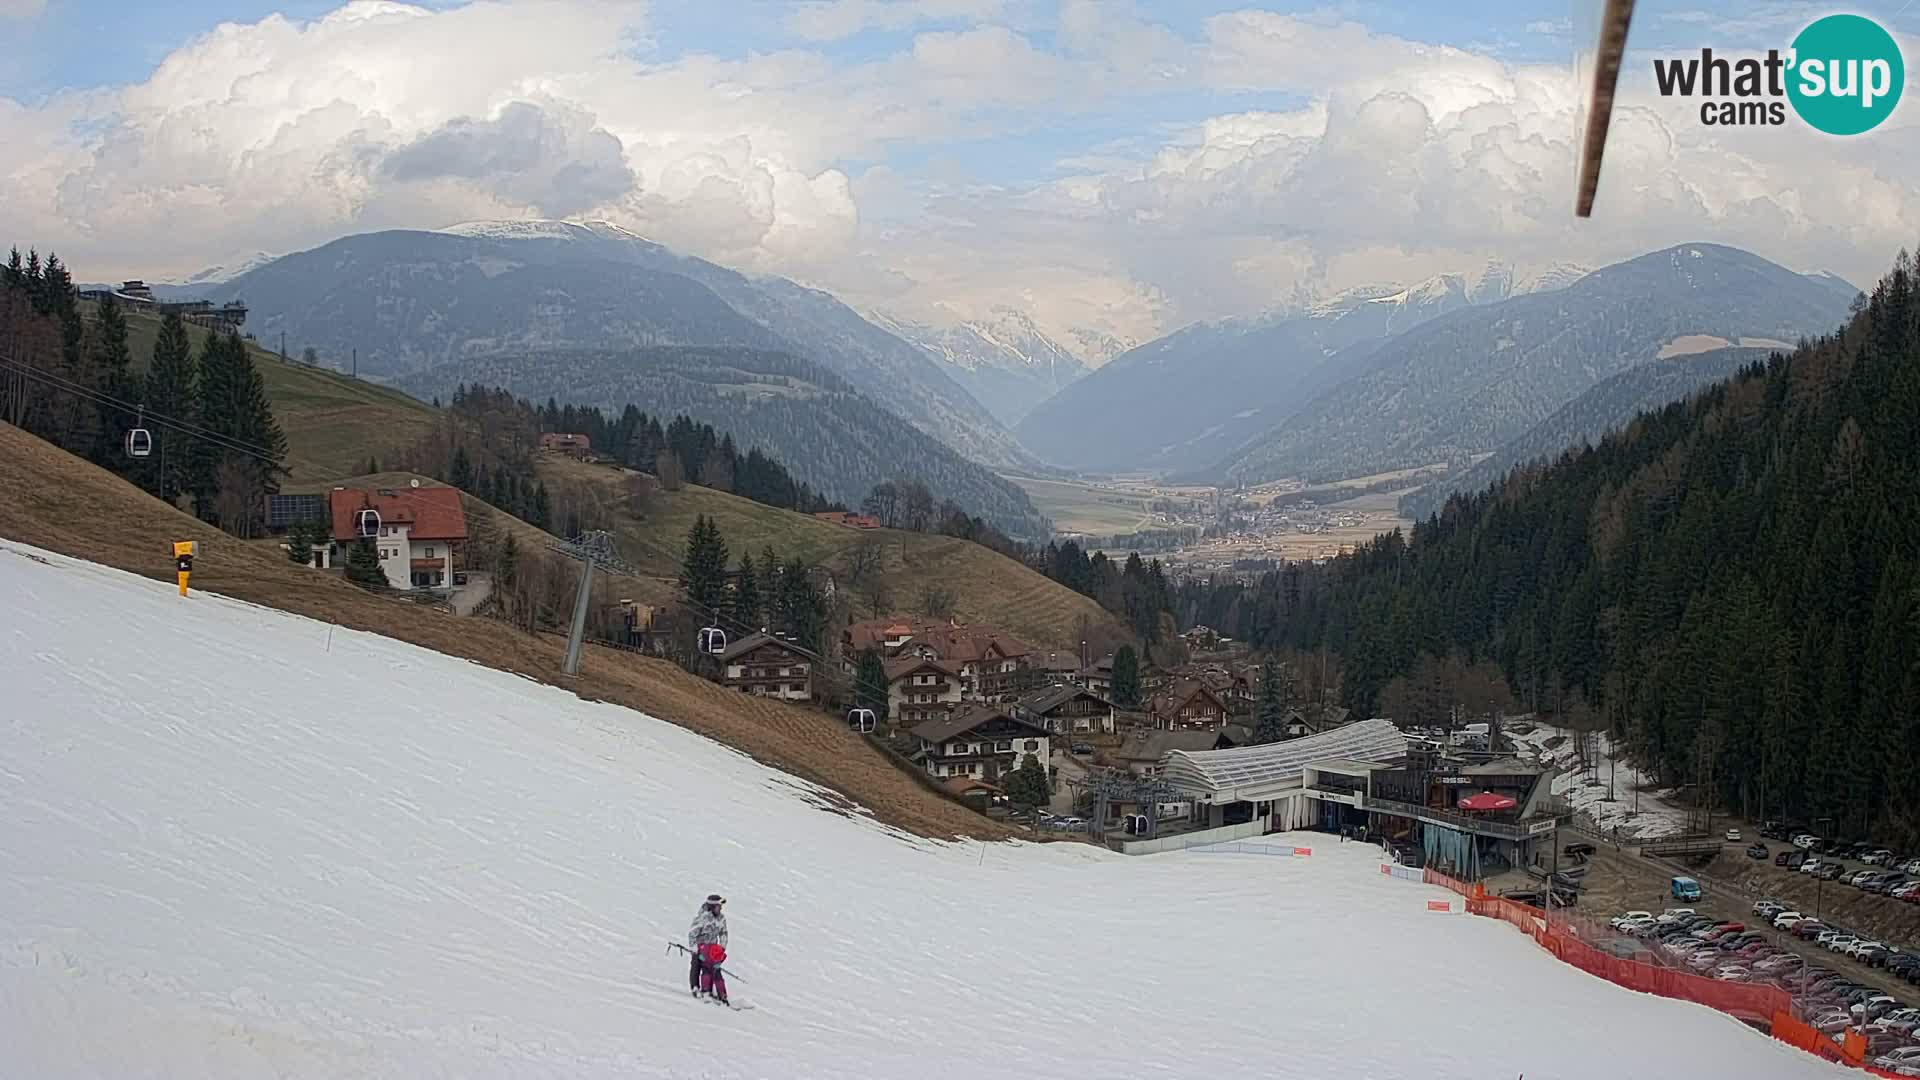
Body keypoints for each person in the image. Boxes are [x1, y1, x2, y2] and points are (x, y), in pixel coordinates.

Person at [688, 894, 728, 998]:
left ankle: (710, 990)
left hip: (712, 950)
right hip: (700, 948)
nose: (720, 908)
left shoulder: (721, 919)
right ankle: (695, 987)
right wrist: (695, 949)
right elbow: (692, 933)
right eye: (718, 906)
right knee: (696, 965)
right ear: (712, 907)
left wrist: (722, 947)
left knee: (713, 969)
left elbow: (723, 933)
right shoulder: (703, 917)